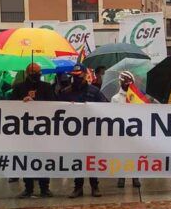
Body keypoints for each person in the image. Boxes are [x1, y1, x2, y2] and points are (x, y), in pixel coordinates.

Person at [58, 64, 109, 198]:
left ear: (85, 74)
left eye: (79, 75)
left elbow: (106, 107)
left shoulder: (94, 91)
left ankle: (95, 186)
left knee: (91, 160)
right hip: (74, 133)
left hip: (91, 132)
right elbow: (57, 109)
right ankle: (78, 187)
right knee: (77, 160)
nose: (77, 77)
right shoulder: (66, 92)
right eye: (74, 75)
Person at [10, 63, 56, 198]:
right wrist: (21, 101)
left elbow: (53, 104)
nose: (36, 73)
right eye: (33, 71)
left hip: (43, 130)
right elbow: (10, 106)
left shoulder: (46, 87)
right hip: (25, 131)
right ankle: (28, 188)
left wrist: (36, 101)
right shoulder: (19, 88)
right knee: (27, 158)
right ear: (27, 73)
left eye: (38, 71)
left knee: (43, 158)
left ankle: (44, 187)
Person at [112, 71, 143, 188]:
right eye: (124, 82)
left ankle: (135, 177)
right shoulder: (115, 98)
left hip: (135, 131)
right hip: (121, 131)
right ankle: (122, 177)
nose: (127, 84)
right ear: (120, 83)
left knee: (134, 154)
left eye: (129, 82)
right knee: (122, 155)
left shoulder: (137, 97)